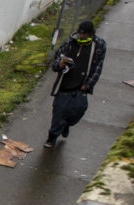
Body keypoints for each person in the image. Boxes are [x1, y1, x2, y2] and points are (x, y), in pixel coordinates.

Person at [45, 20, 106, 148]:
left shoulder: (99, 46)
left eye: (85, 35)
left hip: (81, 87)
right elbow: (56, 62)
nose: (82, 37)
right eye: (81, 34)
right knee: (58, 112)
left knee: (78, 110)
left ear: (91, 34)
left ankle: (66, 124)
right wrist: (60, 64)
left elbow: (97, 68)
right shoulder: (69, 44)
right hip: (64, 85)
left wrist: (88, 85)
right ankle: (52, 137)